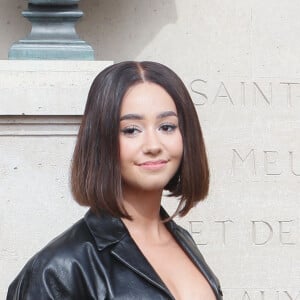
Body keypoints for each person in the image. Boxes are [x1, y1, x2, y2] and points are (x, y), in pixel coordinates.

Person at [7, 61, 223, 300]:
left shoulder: (183, 241)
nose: (153, 145)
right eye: (131, 130)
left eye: (167, 127)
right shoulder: (58, 270)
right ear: (101, 140)